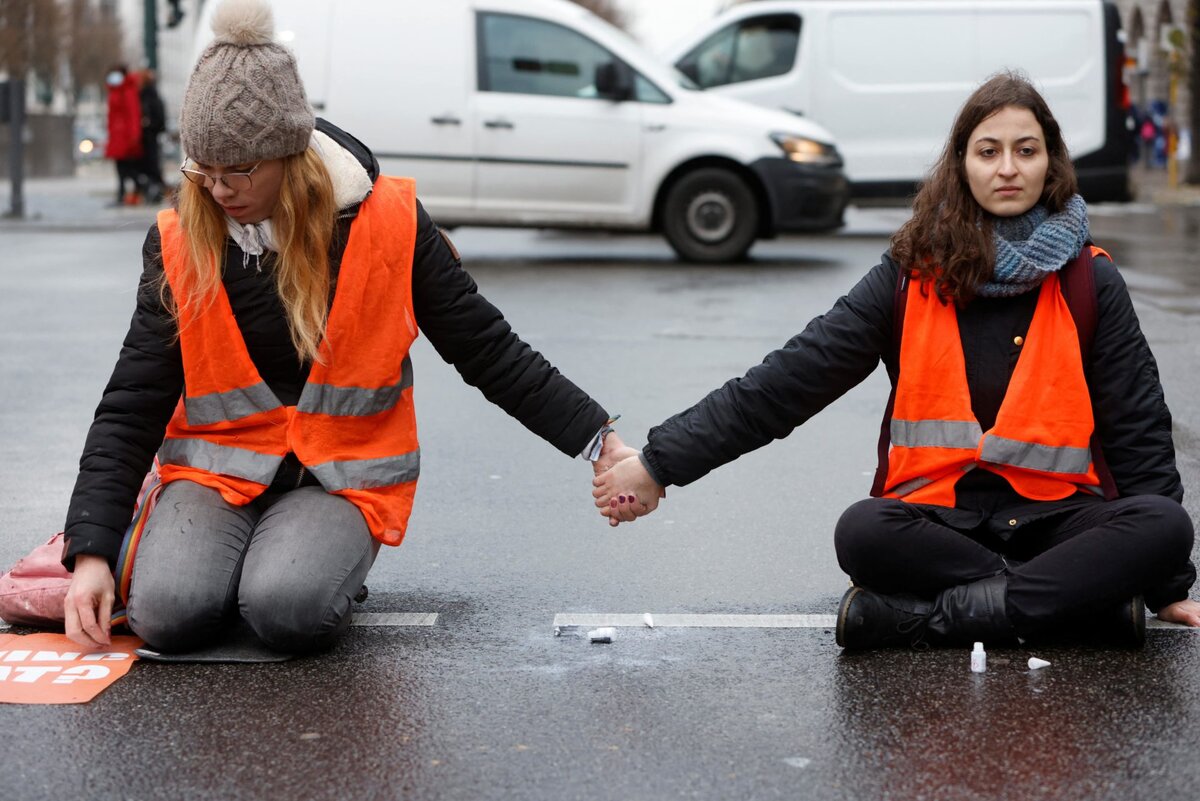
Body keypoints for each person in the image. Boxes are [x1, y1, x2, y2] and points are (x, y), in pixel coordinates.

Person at [62, 0, 633, 656]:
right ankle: (206, 551)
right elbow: (131, 403)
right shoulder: (181, 238)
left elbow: (490, 351)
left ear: (288, 154)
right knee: (164, 615)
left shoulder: (388, 224)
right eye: (203, 172)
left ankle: (310, 562)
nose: (219, 191)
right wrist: (92, 552)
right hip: (216, 472)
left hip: (339, 475)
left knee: (286, 608)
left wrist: (599, 439)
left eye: (239, 170)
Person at [594, 71, 1200, 648]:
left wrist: (1170, 582)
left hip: (1059, 522)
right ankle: (1074, 605)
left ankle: (924, 620)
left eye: (1027, 150)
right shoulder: (908, 277)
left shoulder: (1088, 278)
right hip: (937, 524)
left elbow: (1136, 423)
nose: (1009, 168)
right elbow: (786, 383)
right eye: (988, 152)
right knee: (862, 533)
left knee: (1164, 529)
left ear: (1052, 162)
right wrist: (657, 463)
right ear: (961, 165)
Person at [103, 65, 143, 206]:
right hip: (117, 136)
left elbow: (133, 114)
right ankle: (124, 193)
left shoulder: (127, 91)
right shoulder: (116, 91)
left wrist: (134, 135)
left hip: (124, 137)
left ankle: (136, 188)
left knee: (126, 168)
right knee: (121, 167)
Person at [138, 69, 167, 203]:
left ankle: (153, 191)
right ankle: (154, 190)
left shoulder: (146, 97)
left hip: (148, 138)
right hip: (147, 138)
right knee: (152, 167)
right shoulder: (151, 96)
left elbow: (158, 119)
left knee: (151, 166)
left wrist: (148, 125)